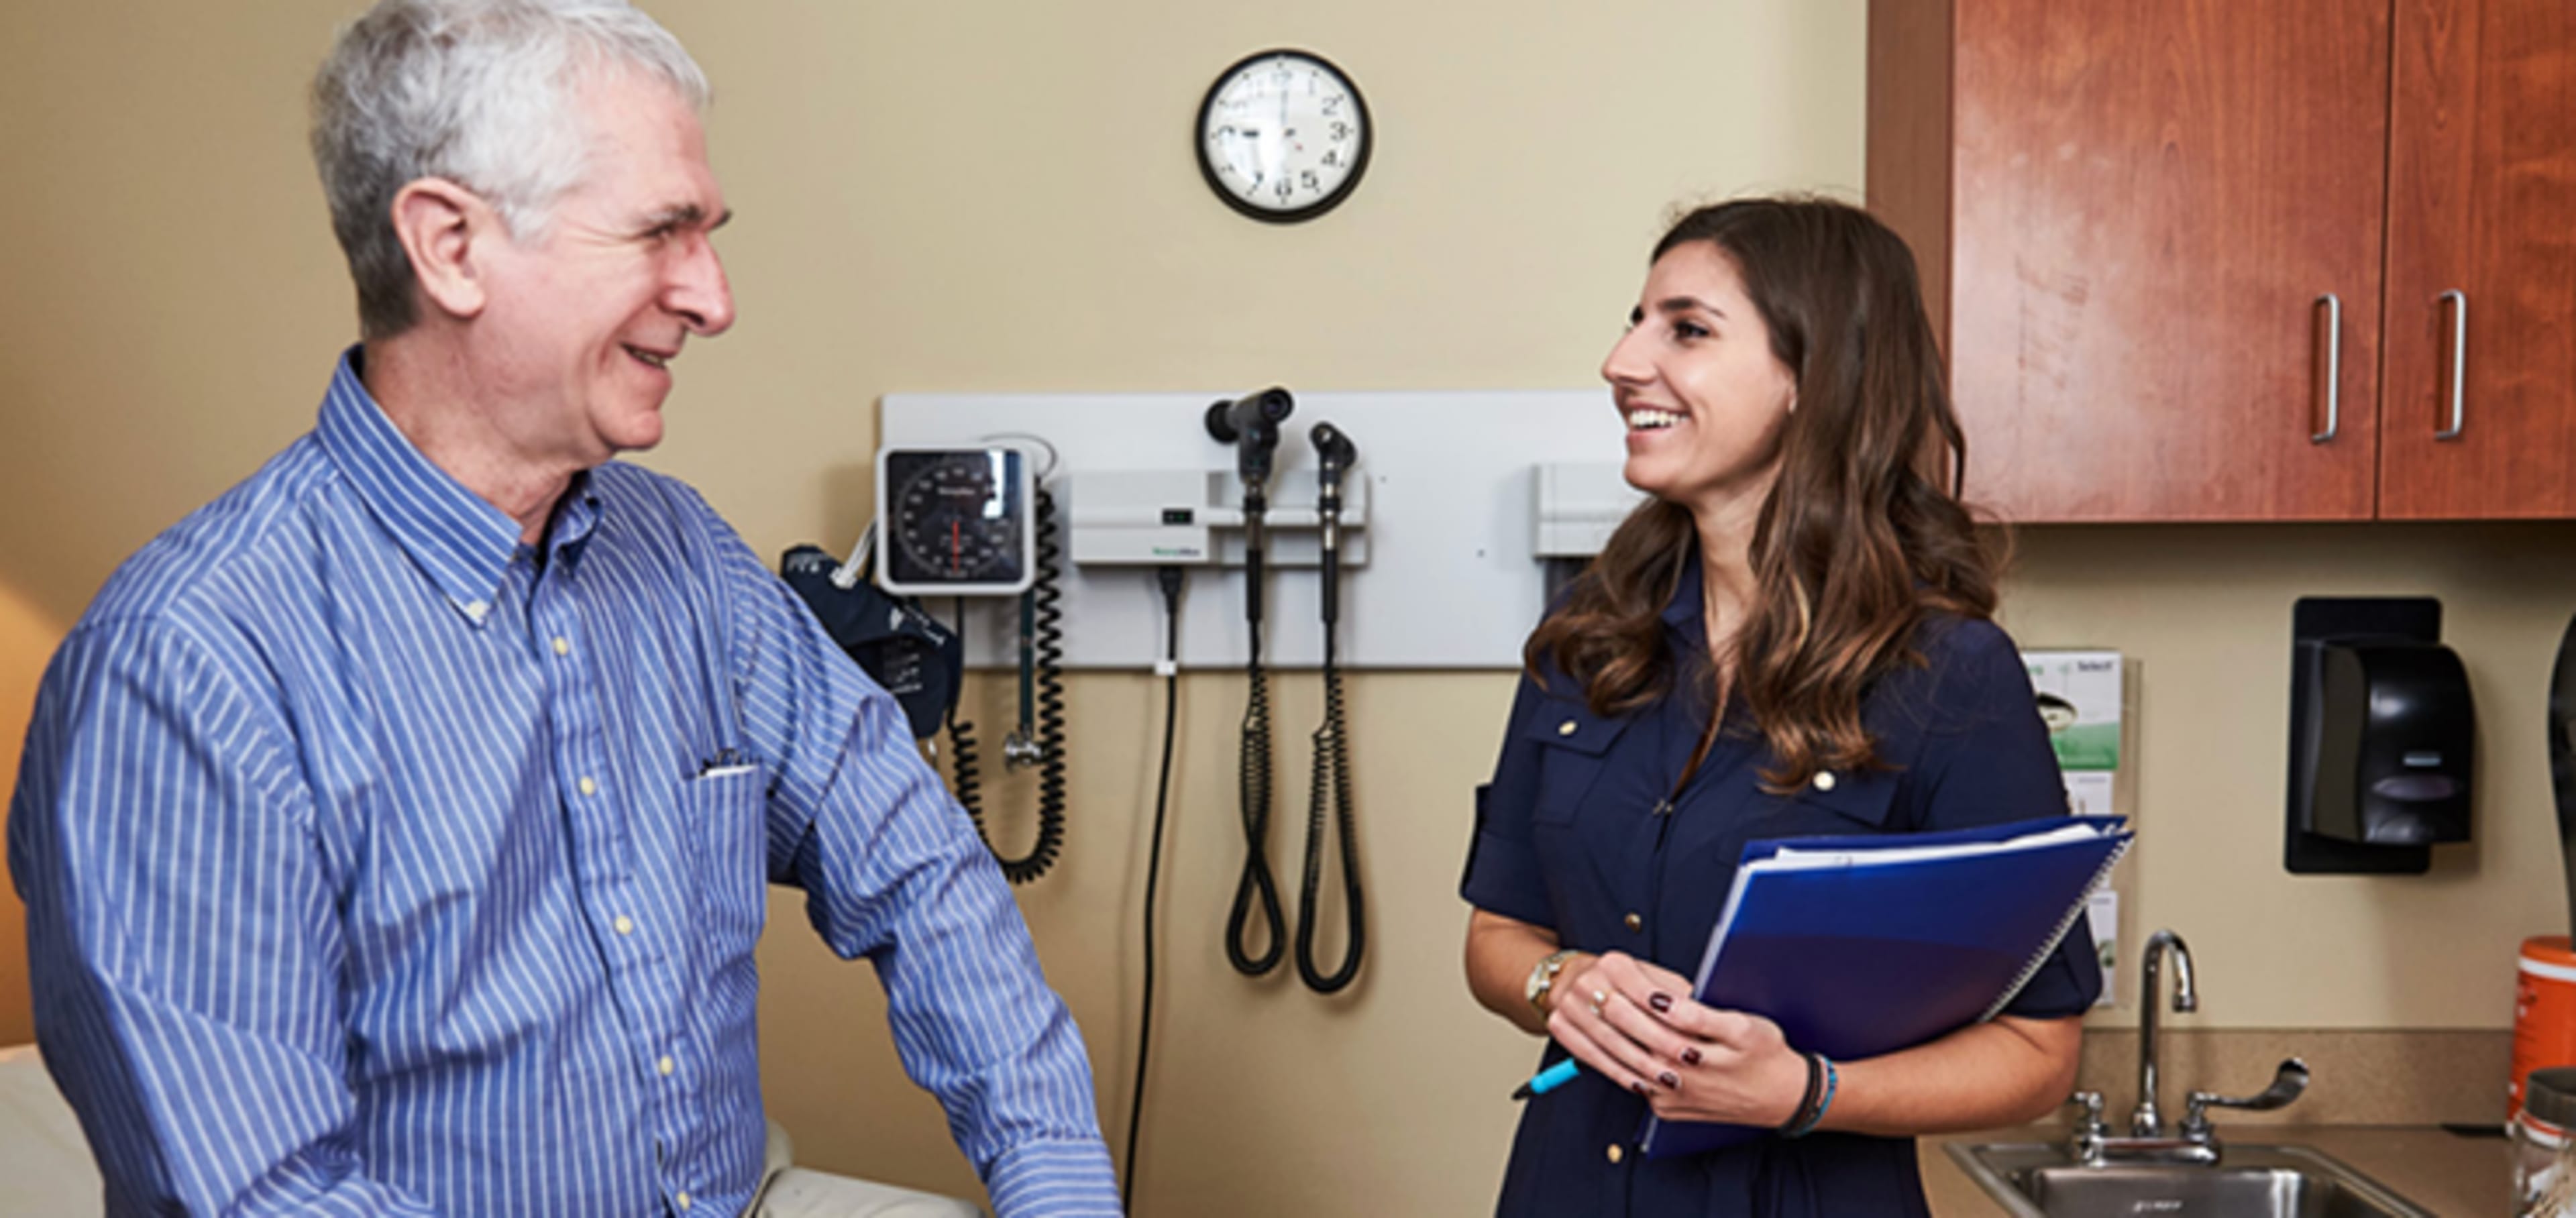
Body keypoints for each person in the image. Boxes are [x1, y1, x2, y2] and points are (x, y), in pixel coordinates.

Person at [4, 2, 1122, 1215]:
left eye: (709, 235)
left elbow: (914, 864)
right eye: (660, 231)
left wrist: (1056, 1184)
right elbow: (269, 1199)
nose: (714, 297)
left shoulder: (681, 552)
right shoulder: (184, 669)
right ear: (451, 247)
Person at [1458, 196, 2099, 1215]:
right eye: (1636, 320)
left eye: (1688, 329)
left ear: (1814, 378)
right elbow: (1500, 934)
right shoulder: (1591, 635)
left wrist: (1806, 1092)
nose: (1622, 362)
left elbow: (2038, 1053)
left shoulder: (1951, 673)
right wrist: (1559, 984)